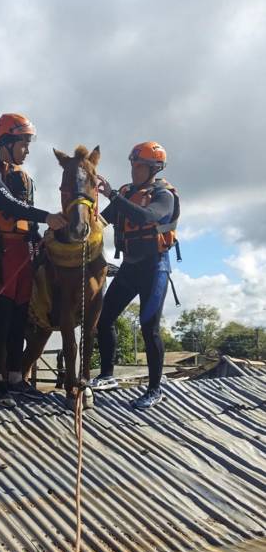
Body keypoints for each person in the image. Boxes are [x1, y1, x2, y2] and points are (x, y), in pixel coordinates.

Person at [0, 113, 66, 407]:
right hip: (1, 251)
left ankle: (16, 378)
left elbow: (28, 219)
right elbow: (7, 204)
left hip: (23, 252)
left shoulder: (25, 179)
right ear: (7, 142)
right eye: (23, 144)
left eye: (28, 144)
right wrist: (47, 216)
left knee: (19, 318)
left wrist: (40, 238)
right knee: (1, 316)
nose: (26, 150)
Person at [92, 141, 180, 410]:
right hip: (130, 267)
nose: (134, 170)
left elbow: (146, 217)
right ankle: (107, 376)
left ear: (154, 168)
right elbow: (101, 221)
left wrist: (112, 195)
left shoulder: (164, 196)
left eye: (139, 165)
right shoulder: (127, 193)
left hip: (155, 268)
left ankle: (155, 390)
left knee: (148, 328)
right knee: (104, 318)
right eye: (132, 164)